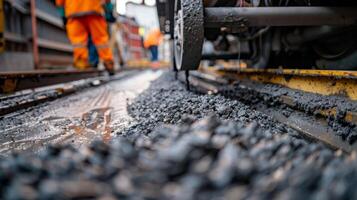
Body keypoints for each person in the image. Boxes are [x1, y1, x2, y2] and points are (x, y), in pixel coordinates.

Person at [55, 0, 115, 75]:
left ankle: (81, 63)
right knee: (101, 39)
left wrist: (62, 14)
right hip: (94, 8)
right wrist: (109, 11)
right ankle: (108, 62)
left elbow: (60, 2)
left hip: (73, 10)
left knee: (78, 41)